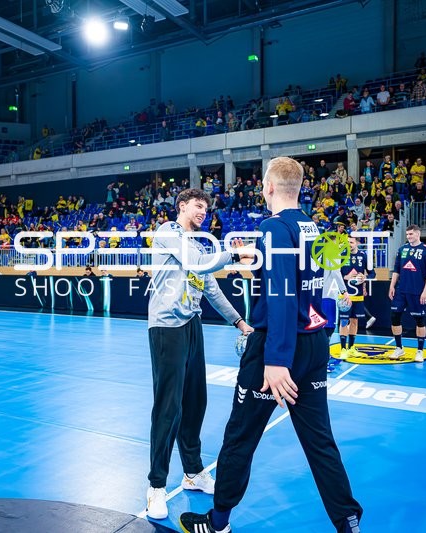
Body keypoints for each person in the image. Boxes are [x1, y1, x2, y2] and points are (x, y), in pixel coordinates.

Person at [179, 157, 362, 533]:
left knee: (240, 435)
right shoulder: (315, 228)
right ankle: (348, 520)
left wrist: (276, 359)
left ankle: (217, 523)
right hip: (314, 341)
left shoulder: (273, 228)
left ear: (269, 188)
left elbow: (280, 293)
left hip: (277, 347)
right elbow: (310, 283)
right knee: (320, 440)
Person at [145, 188, 254, 520]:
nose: (203, 211)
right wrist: (234, 256)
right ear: (181, 206)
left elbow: (211, 289)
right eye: (197, 205)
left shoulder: (197, 246)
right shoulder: (167, 233)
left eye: (206, 207)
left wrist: (240, 322)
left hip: (192, 325)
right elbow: (196, 264)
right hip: (166, 327)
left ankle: (192, 472)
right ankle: (156, 487)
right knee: (169, 407)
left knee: (195, 402)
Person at [387, 225, 426, 363]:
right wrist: (391, 286)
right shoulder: (402, 249)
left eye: (411, 234)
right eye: (407, 234)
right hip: (401, 290)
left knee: (419, 321)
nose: (408, 237)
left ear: (418, 234)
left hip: (417, 292)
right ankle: (399, 348)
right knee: (394, 317)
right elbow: (396, 269)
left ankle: (420, 350)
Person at [337, 236, 375, 359]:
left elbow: (372, 273)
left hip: (358, 296)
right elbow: (335, 273)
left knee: (354, 321)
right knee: (343, 321)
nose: (349, 244)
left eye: (351, 242)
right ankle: (343, 349)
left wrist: (365, 278)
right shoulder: (341, 255)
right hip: (344, 294)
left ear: (357, 243)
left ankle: (352, 347)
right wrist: (345, 276)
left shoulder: (364, 256)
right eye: (347, 242)